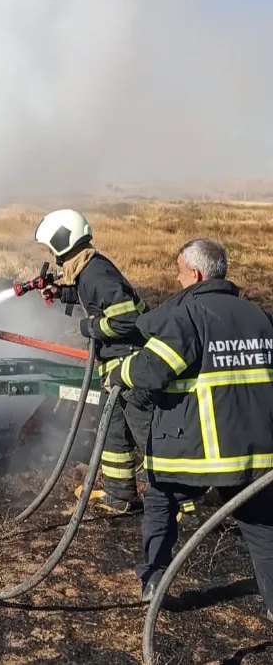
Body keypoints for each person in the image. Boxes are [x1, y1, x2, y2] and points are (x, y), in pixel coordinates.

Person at [107, 238, 273, 609]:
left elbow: (152, 369)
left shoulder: (189, 316)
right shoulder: (259, 316)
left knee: (160, 498)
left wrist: (121, 371)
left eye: (180, 273)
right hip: (258, 458)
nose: (178, 280)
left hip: (199, 456)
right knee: (264, 534)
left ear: (196, 274)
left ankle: (153, 581)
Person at [34, 208, 153, 514]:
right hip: (117, 366)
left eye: (50, 248)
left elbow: (128, 319)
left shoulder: (96, 272)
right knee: (113, 430)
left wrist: (90, 328)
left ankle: (173, 500)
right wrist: (63, 294)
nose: (51, 255)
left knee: (148, 435)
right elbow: (94, 298)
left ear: (62, 243)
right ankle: (120, 496)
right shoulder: (88, 271)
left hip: (132, 365)